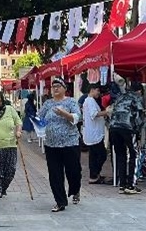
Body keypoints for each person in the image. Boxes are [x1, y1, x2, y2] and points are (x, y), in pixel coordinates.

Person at [38, 78, 82, 212]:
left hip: (70, 143)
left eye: (58, 86)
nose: (55, 89)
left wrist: (64, 114)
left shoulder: (71, 102)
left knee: (73, 171)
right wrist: (40, 128)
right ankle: (60, 201)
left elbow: (77, 118)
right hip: (52, 144)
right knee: (55, 174)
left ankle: (75, 190)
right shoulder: (48, 104)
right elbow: (40, 119)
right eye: (53, 87)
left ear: (64, 88)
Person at [109, 81, 144, 195]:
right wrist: (138, 133)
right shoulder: (136, 98)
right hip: (127, 127)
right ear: (139, 91)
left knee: (120, 155)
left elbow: (112, 111)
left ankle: (122, 184)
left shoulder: (120, 97)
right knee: (134, 154)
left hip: (114, 128)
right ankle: (131, 185)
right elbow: (139, 117)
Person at [82, 84, 109, 184]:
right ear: (92, 90)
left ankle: (94, 175)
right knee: (101, 154)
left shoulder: (89, 101)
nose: (99, 93)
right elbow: (94, 114)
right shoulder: (90, 101)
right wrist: (107, 112)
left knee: (93, 155)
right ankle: (94, 174)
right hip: (94, 134)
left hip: (93, 133)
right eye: (97, 90)